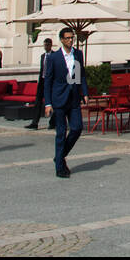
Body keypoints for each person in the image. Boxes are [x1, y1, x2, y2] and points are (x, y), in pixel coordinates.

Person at [43, 27, 89, 179]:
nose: (70, 40)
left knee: (77, 128)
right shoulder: (53, 57)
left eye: (72, 38)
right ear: (62, 40)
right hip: (59, 99)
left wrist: (85, 93)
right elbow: (48, 81)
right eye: (67, 38)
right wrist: (48, 103)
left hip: (74, 98)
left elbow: (81, 75)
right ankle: (59, 167)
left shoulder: (78, 54)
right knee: (61, 133)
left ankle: (60, 156)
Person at [26, 38, 55, 130]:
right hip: (42, 80)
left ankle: (52, 122)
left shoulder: (54, 55)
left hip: (51, 82)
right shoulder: (43, 56)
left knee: (52, 102)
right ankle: (35, 122)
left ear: (51, 45)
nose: (46, 47)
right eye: (45, 45)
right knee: (38, 102)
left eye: (47, 45)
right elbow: (42, 69)